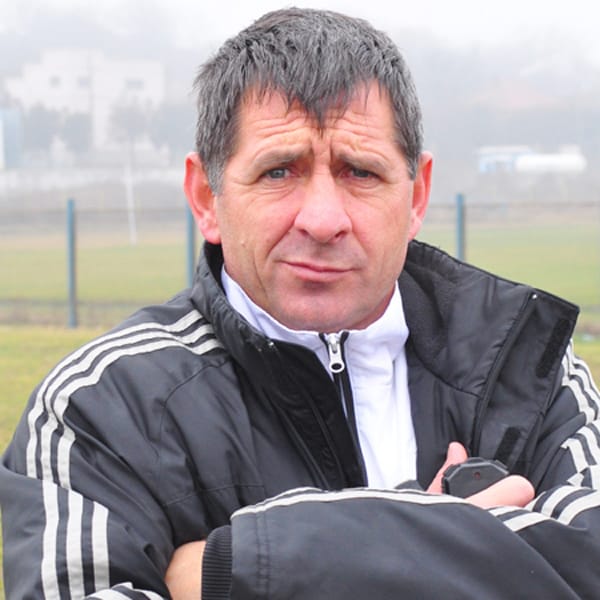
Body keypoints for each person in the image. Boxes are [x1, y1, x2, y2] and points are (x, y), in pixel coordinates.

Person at [2, 7, 600, 599]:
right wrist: (454, 543)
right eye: (279, 171)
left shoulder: (526, 372)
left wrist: (235, 566)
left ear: (416, 195)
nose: (322, 219)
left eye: (360, 172)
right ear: (207, 197)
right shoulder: (100, 409)